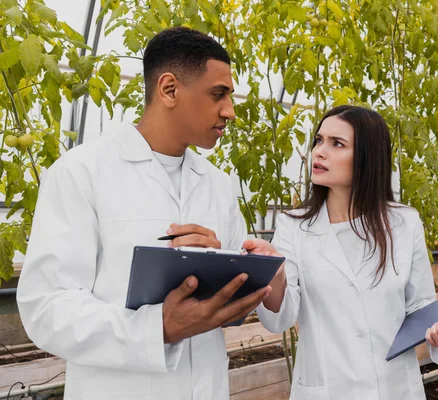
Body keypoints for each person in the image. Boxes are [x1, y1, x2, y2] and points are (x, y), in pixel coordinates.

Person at [16, 27, 270, 400]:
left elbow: (231, 304)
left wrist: (221, 268)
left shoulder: (218, 184)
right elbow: (46, 308)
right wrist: (158, 329)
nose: (230, 111)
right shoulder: (81, 173)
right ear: (169, 89)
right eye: (219, 94)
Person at [245, 105, 438, 399]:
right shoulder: (294, 227)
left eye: (337, 144)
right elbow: (280, 319)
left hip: (394, 389)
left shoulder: (404, 223)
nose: (319, 152)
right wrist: (274, 272)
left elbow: (420, 306)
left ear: (366, 157)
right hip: (328, 390)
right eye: (318, 141)